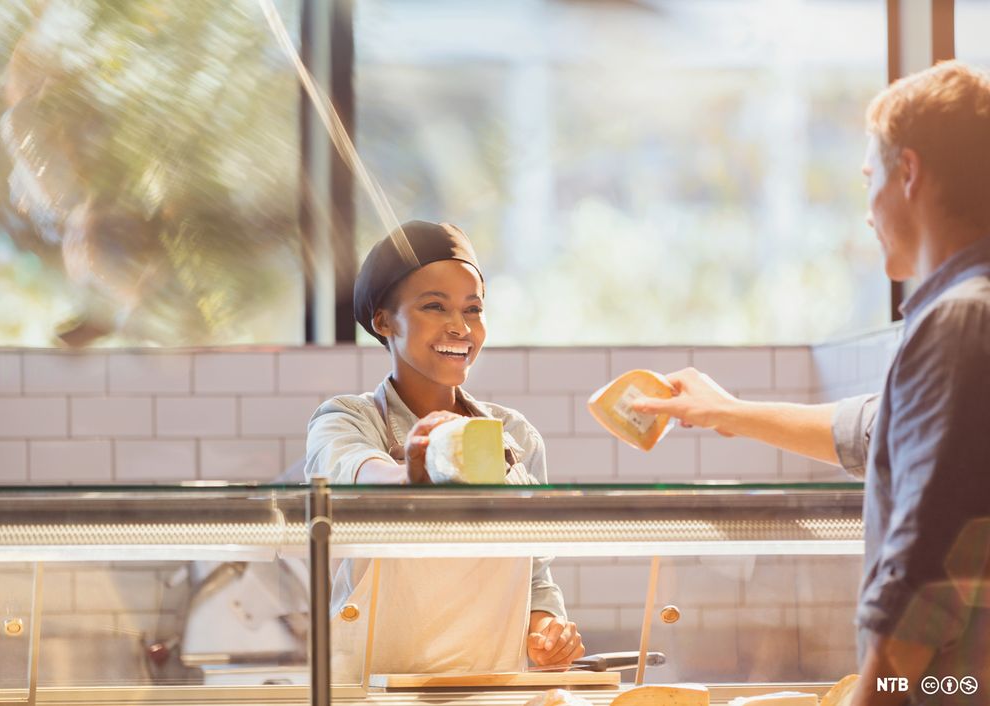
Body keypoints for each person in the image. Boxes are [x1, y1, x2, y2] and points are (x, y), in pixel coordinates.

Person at [635, 61, 990, 706]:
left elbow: (924, 568)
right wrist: (726, 412)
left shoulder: (963, 322)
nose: (866, 211)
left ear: (908, 173)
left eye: (868, 179)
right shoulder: (967, 316)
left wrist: (873, 695)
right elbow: (871, 428)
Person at [305, 220, 584, 681]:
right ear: (383, 320)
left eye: (473, 309)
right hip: (376, 691)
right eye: (435, 306)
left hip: (492, 688)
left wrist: (548, 630)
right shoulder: (346, 419)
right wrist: (413, 471)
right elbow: (355, 474)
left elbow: (535, 578)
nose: (460, 327)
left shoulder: (515, 436)